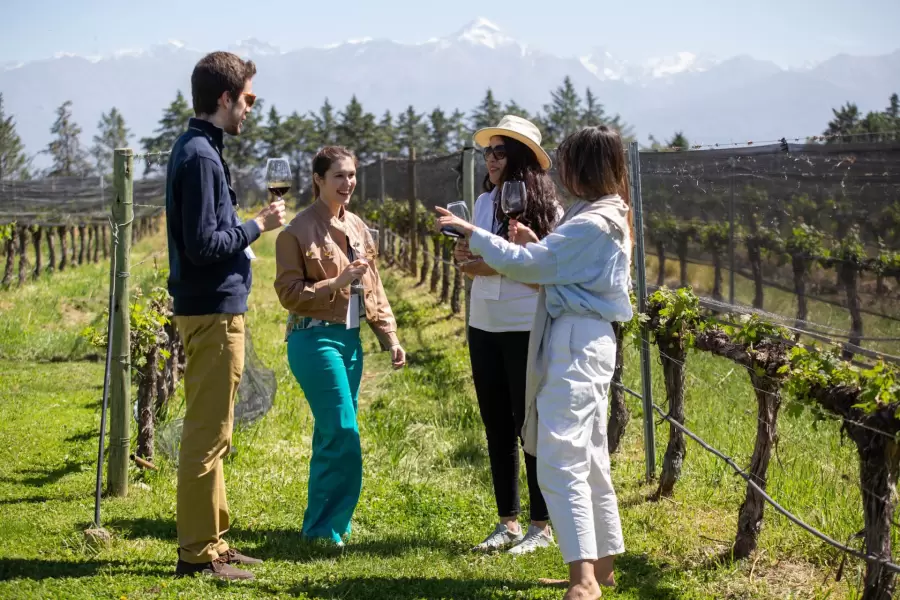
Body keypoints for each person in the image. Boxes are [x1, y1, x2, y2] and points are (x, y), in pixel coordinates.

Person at [436, 125, 633, 600]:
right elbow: (547, 259)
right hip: (581, 336)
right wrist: (526, 243)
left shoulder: (592, 222)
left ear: (581, 167)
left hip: (576, 341)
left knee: (561, 458)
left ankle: (583, 582)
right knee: (588, 457)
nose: (559, 170)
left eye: (566, 160)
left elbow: (534, 267)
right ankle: (600, 568)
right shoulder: (598, 212)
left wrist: (473, 234)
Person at [166, 51, 286, 581]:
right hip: (212, 313)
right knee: (206, 434)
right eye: (249, 99)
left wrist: (241, 230)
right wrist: (256, 226)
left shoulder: (201, 150)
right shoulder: (199, 157)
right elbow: (201, 244)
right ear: (225, 99)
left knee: (216, 432)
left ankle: (214, 542)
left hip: (216, 310)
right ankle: (196, 553)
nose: (251, 110)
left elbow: (209, 233)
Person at [274, 145, 406, 547]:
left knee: (331, 432)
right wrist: (335, 283)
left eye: (351, 175)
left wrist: (390, 334)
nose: (348, 183)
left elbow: (374, 286)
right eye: (339, 176)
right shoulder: (295, 231)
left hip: (349, 342)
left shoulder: (358, 227)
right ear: (318, 180)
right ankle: (325, 528)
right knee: (343, 430)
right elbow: (288, 293)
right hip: (312, 339)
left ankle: (325, 523)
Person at [454, 115, 562, 555]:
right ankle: (508, 522)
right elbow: (475, 260)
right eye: (488, 151)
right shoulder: (482, 203)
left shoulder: (550, 212)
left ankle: (542, 526)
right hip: (483, 322)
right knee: (495, 425)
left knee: (528, 426)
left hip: (523, 325)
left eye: (500, 151)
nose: (491, 159)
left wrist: (491, 262)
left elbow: (548, 271)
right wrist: (464, 256)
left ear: (519, 158)